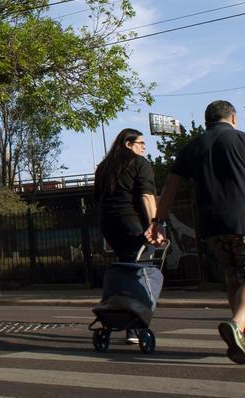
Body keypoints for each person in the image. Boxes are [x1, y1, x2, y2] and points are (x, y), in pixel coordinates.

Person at [151, 99, 245, 364]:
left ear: (207, 121)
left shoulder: (191, 148)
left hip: (211, 228)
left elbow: (169, 187)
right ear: (233, 118)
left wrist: (158, 221)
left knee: (234, 281)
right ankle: (237, 326)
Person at [94, 127, 158, 344]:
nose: (144, 147)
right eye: (141, 143)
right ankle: (134, 324)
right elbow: (147, 196)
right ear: (128, 144)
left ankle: (120, 317)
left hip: (108, 224)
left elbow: (98, 198)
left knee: (125, 266)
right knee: (139, 272)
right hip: (132, 223)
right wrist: (154, 226)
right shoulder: (140, 163)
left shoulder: (103, 167)